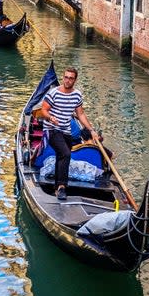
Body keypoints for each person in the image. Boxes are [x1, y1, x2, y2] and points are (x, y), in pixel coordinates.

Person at [36, 67, 98, 201]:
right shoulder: (53, 93)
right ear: (63, 78)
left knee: (61, 156)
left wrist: (91, 130)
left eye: (71, 78)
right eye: (66, 77)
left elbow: (80, 114)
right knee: (66, 154)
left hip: (66, 131)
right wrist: (50, 118)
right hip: (51, 129)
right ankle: (62, 187)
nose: (67, 80)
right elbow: (44, 110)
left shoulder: (77, 95)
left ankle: (56, 187)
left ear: (75, 80)